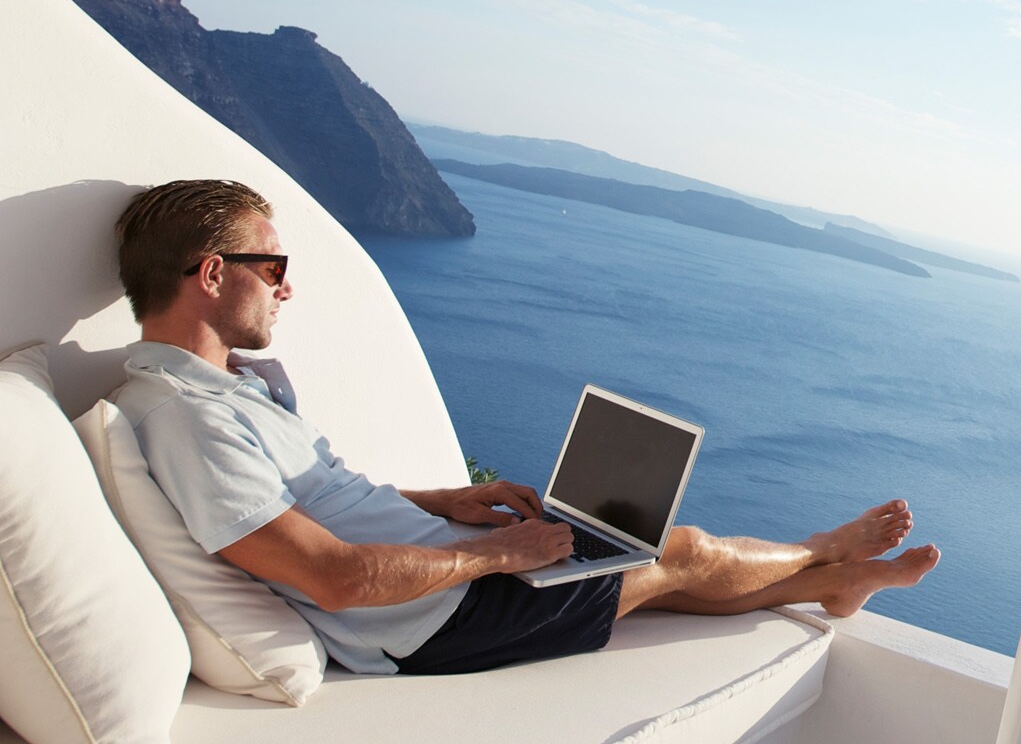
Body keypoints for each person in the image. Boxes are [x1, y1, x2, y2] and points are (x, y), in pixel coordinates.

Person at [111, 179, 939, 676]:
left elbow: (307, 501)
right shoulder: (188, 418)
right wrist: (499, 554)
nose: (286, 289)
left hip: (437, 572)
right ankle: (825, 553)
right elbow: (331, 577)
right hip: (428, 619)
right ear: (214, 274)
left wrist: (447, 500)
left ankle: (832, 582)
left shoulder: (222, 389)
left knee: (635, 563)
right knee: (673, 550)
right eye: (274, 268)